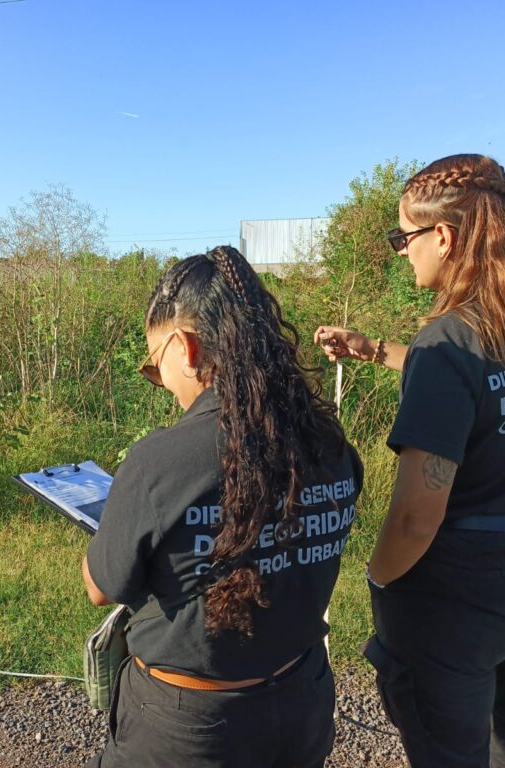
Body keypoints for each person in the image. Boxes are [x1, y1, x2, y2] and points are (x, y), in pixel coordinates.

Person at [315, 154, 505, 768]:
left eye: (404, 237)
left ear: (442, 237)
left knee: (450, 752)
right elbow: (499, 381)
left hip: (467, 589)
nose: (401, 251)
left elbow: (418, 517)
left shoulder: (449, 338)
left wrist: (380, 580)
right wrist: (374, 351)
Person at [83, 245, 363, 768]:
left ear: (185, 348)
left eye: (155, 366)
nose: (164, 386)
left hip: (188, 727)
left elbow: (102, 586)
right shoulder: (330, 444)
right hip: (301, 702)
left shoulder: (159, 461)